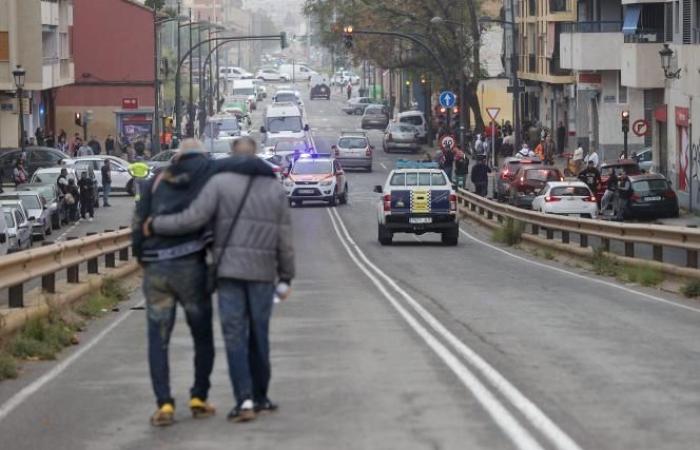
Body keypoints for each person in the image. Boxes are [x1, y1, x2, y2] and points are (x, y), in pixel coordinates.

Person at [145, 137, 294, 424]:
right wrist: (286, 276)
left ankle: (245, 400)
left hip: (228, 273)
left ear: (232, 156)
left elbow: (193, 219)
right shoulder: (275, 188)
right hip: (263, 274)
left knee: (235, 336)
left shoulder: (219, 185)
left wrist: (157, 225)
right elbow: (285, 238)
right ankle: (261, 396)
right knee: (259, 334)